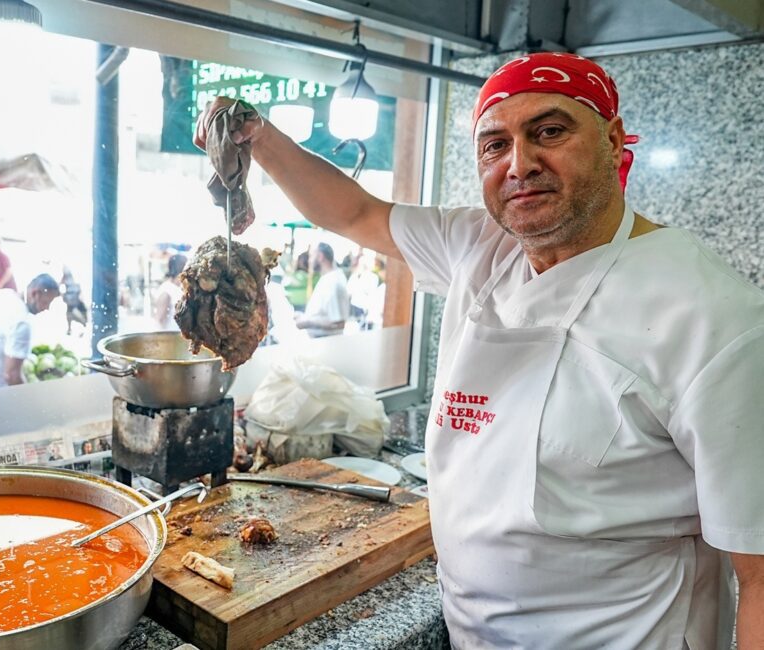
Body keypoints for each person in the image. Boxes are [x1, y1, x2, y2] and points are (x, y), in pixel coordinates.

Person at [194, 53, 763, 648]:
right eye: (495, 144)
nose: (520, 164)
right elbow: (354, 211)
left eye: (549, 131)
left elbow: (760, 574)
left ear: (612, 139)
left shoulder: (717, 319)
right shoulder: (480, 244)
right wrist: (256, 136)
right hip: (476, 634)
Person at [294, 242, 349, 337]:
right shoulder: (328, 278)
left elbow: (338, 323)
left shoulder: (333, 282)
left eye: (311, 256)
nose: (309, 261)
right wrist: (304, 317)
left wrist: (307, 322)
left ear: (320, 257)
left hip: (328, 346)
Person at [152, 253, 187, 330]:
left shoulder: (180, 287)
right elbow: (159, 320)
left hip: (179, 337)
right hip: (170, 337)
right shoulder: (167, 289)